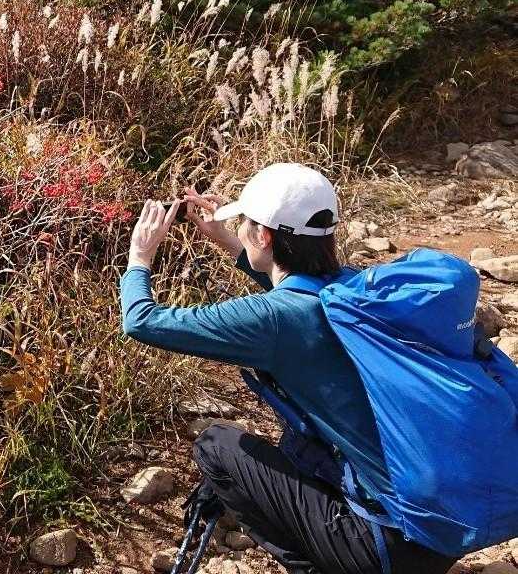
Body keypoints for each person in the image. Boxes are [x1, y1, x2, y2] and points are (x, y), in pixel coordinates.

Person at [120, 163, 458, 574]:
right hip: (441, 530)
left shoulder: (275, 319)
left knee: (216, 445)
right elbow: (297, 296)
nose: (241, 229)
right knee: (295, 445)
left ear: (263, 236)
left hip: (383, 550)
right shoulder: (354, 289)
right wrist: (227, 238)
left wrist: (139, 257)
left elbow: (141, 321)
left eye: (244, 223)